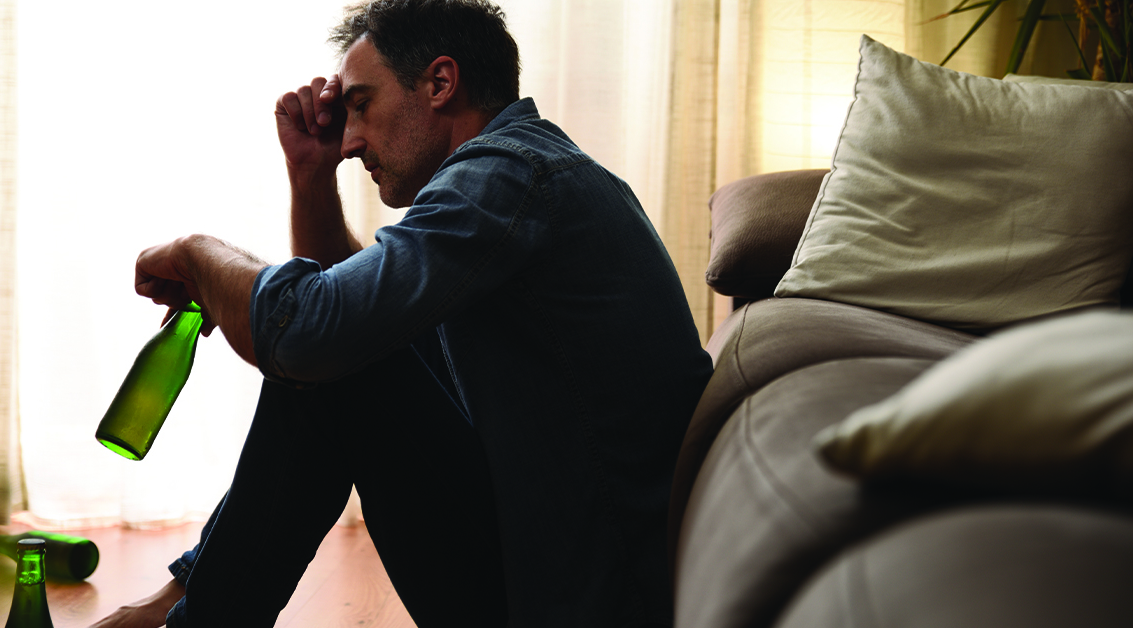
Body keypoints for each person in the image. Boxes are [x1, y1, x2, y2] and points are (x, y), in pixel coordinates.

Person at [90, 1, 712, 626]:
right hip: (555, 569)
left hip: (576, 599)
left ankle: (191, 613)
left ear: (441, 83)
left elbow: (312, 333)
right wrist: (311, 177)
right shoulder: (528, 174)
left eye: (361, 104)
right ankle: (189, 605)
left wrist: (198, 255)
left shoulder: (507, 176)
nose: (351, 138)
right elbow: (360, 323)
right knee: (339, 350)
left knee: (324, 353)